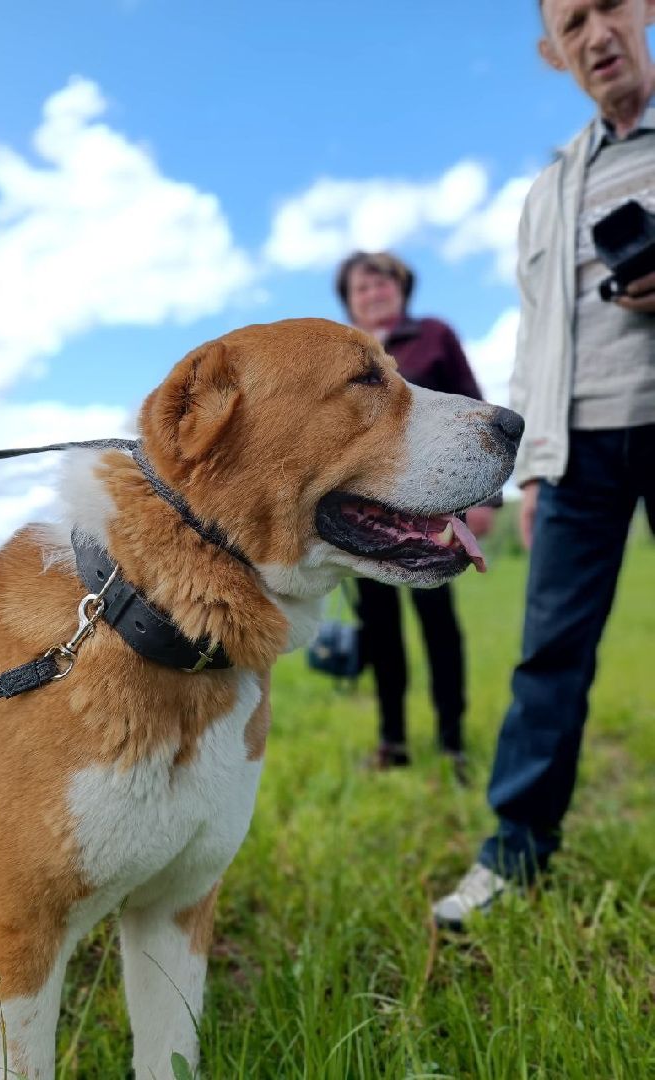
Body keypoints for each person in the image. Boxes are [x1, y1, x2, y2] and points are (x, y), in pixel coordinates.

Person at [433, 0, 655, 928]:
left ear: (642, 11)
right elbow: (533, 338)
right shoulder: (550, 187)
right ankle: (513, 853)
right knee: (547, 658)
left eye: (610, 6)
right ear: (553, 52)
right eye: (573, 22)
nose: (596, 32)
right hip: (578, 449)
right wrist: (530, 471)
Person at [335, 251, 494, 781]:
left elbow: (471, 407)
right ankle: (393, 741)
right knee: (380, 633)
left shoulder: (433, 336)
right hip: (366, 517)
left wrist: (482, 501)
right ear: (350, 302)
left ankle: (452, 741)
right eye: (362, 288)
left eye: (382, 283)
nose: (373, 293)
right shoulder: (344, 357)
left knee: (440, 629)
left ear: (401, 289)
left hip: (436, 515)